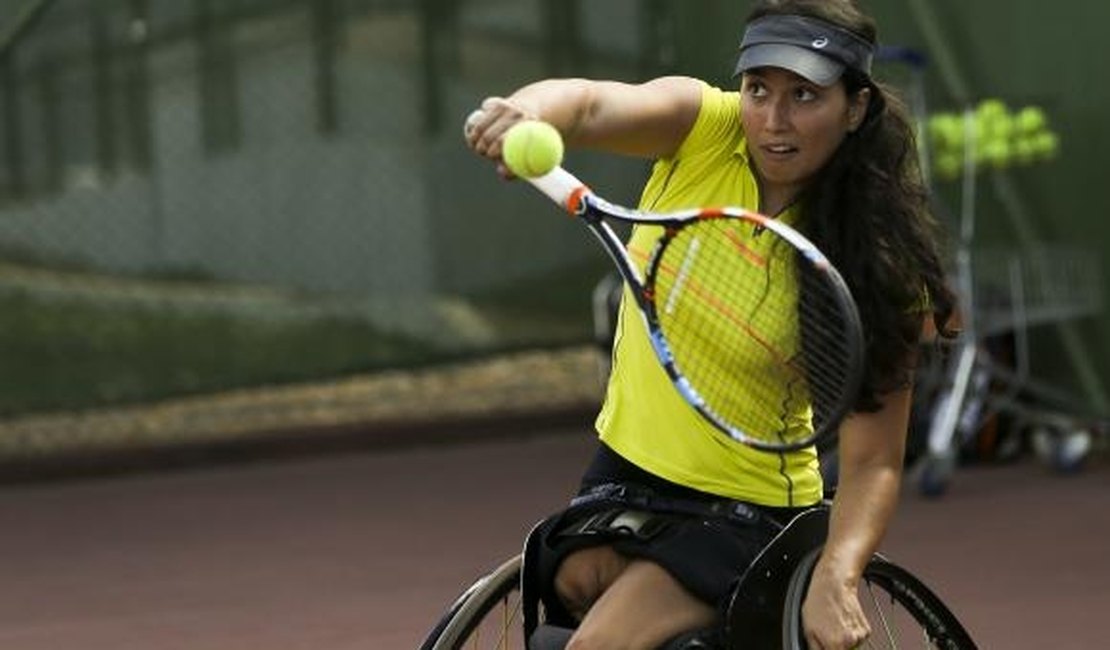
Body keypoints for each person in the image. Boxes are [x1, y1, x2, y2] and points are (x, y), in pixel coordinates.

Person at [464, 1, 955, 648]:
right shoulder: (705, 127)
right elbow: (585, 104)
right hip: (624, 475)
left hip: (747, 514)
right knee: (569, 585)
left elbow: (874, 463)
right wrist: (527, 111)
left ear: (855, 107)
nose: (774, 121)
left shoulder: (875, 265)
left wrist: (836, 573)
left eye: (804, 96)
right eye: (759, 90)